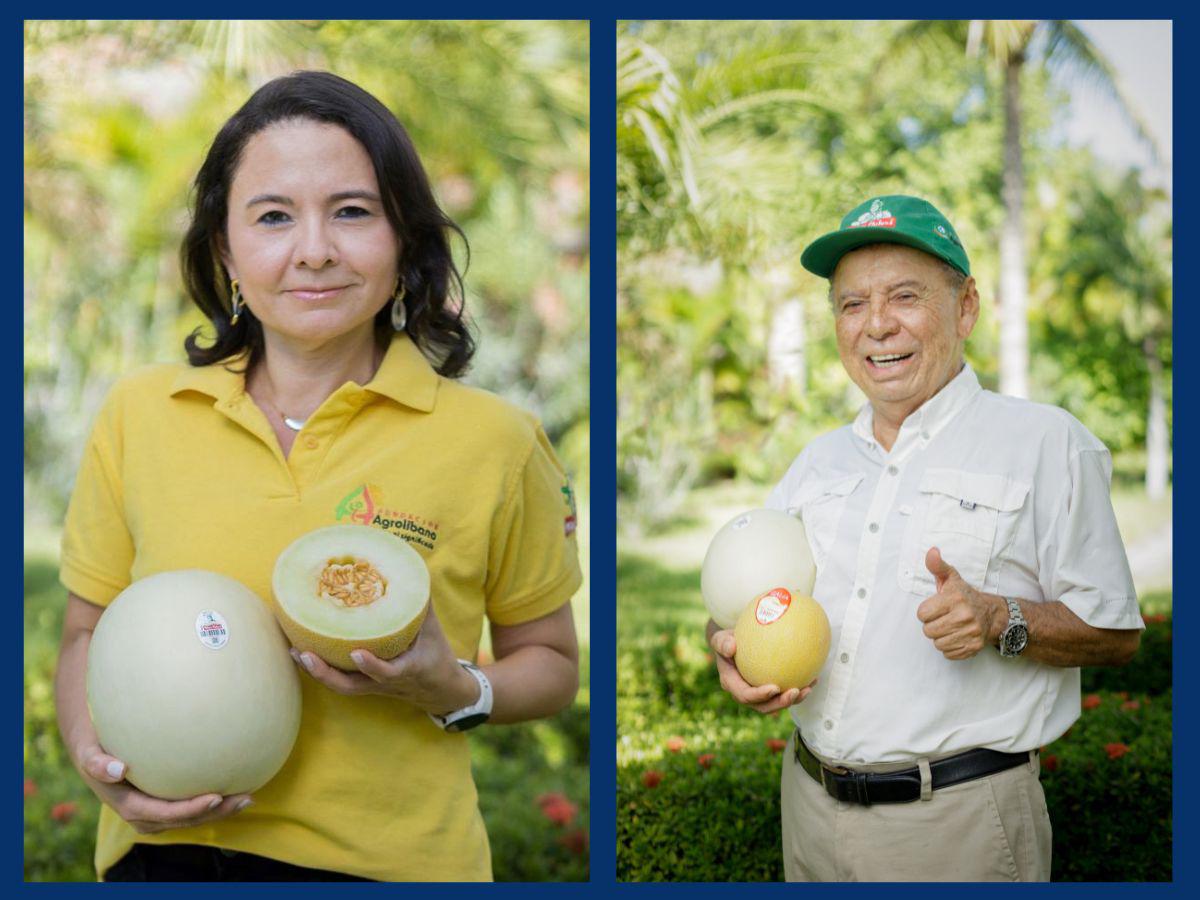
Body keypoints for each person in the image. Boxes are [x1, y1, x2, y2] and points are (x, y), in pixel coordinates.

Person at [54, 71, 583, 882]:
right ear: (225, 249)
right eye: (273, 216)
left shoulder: (496, 442)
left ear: (403, 238)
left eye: (352, 212)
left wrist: (452, 688)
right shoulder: (139, 414)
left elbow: (550, 663)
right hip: (158, 861)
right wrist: (95, 761)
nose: (314, 251)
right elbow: (85, 635)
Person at [707, 195, 1144, 882]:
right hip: (809, 810)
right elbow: (747, 601)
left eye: (904, 297)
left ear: (966, 308)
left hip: (959, 828)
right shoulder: (816, 463)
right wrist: (728, 648)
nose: (877, 324)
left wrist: (999, 618)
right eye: (852, 304)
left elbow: (1115, 634)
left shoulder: (1046, 443)